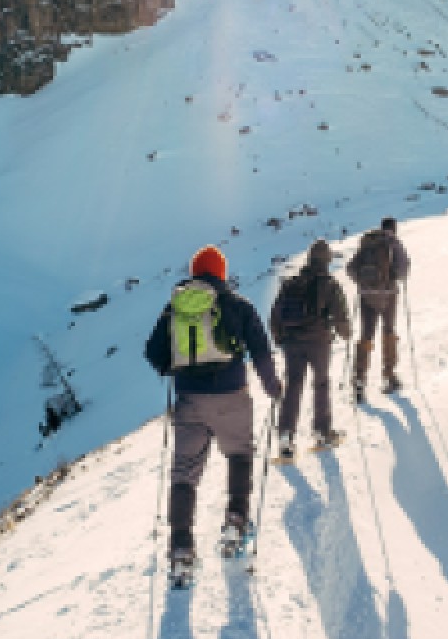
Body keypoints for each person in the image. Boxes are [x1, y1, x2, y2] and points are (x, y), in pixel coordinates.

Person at [144, 245, 282, 571]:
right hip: (232, 395)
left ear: (194, 272)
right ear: (221, 272)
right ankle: (236, 521)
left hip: (189, 400)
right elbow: (261, 348)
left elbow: (153, 352)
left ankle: (180, 549)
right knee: (239, 454)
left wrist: (174, 367)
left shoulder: (175, 308)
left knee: (184, 473)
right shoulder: (237, 305)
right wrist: (272, 386)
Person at [269, 239, 352, 460]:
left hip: (291, 343)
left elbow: (275, 313)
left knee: (294, 386)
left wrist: (279, 339)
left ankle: (286, 436)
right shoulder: (329, 283)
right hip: (318, 342)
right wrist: (346, 333)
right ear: (326, 260)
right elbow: (341, 314)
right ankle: (322, 432)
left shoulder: (291, 283)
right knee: (321, 383)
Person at [345, 217, 410, 401]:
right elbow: (403, 271)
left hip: (367, 297)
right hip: (388, 295)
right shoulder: (393, 243)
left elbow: (350, 268)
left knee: (366, 336)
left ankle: (359, 380)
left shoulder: (368, 242)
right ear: (394, 229)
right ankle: (389, 376)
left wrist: (363, 283)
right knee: (388, 332)